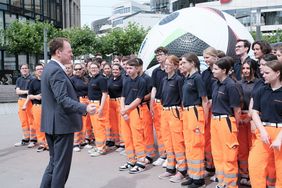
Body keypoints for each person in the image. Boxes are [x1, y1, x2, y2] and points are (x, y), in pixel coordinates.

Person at [40, 37, 96, 188]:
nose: (72, 54)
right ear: (59, 52)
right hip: (61, 125)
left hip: (53, 124)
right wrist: (84, 108)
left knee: (54, 164)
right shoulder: (56, 71)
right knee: (61, 167)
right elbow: (63, 99)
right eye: (69, 51)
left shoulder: (50, 68)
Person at [249, 60, 282, 188]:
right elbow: (255, 112)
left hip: (280, 132)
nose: (264, 75)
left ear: (278, 73)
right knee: (255, 164)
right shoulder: (261, 90)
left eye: (267, 73)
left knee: (280, 169)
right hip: (264, 132)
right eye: (263, 73)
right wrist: (262, 130)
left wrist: (279, 138)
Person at [211, 57, 241, 188]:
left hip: (226, 121)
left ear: (224, 70)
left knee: (229, 154)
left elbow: (237, 109)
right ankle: (222, 180)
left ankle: (230, 184)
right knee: (217, 153)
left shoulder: (231, 85)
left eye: (216, 69)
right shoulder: (215, 84)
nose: (213, 70)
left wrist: (236, 126)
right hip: (215, 120)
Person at [180, 53, 209, 187]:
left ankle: (199, 179)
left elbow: (204, 100)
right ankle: (192, 175)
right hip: (187, 113)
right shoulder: (187, 77)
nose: (182, 65)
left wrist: (205, 119)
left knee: (196, 145)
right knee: (190, 144)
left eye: (184, 62)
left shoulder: (197, 78)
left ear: (192, 63)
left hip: (195, 112)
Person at [158, 55, 187, 183]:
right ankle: (170, 168)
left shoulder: (179, 80)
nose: (166, 66)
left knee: (177, 141)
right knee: (167, 141)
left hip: (175, 112)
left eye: (169, 64)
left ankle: (182, 170)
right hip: (165, 112)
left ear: (175, 66)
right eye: (165, 64)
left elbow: (183, 98)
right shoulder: (164, 79)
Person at [119, 58, 150, 174]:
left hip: (135, 111)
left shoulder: (141, 81)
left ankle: (141, 162)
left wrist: (126, 109)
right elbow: (122, 96)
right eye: (127, 68)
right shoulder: (126, 80)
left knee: (137, 137)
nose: (128, 70)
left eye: (130, 68)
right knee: (127, 137)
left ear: (137, 69)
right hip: (125, 111)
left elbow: (139, 99)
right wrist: (123, 110)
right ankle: (131, 160)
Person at [237, 60, 258, 186]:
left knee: (253, 147)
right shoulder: (239, 83)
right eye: (243, 68)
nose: (245, 71)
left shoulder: (258, 83)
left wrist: (249, 118)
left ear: (253, 69)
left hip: (253, 118)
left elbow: (255, 101)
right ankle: (244, 173)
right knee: (242, 148)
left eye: (248, 68)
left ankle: (253, 174)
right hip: (241, 116)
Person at [23, 63, 48, 152]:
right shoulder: (32, 81)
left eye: (41, 69)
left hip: (48, 106)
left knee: (48, 125)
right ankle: (42, 144)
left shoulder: (48, 80)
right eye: (38, 69)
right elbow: (29, 95)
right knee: (38, 125)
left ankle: (48, 144)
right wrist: (36, 97)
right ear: (35, 72)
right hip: (37, 106)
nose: (40, 70)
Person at [201, 47, 218, 178]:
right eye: (204, 57)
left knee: (217, 140)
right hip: (207, 107)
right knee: (207, 139)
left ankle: (219, 169)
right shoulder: (205, 73)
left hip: (218, 109)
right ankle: (209, 166)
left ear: (215, 57)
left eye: (207, 57)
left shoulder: (220, 72)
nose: (206, 60)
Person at [150, 46, 168, 167]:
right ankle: (163, 155)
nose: (158, 57)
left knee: (167, 130)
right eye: (157, 55)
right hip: (157, 103)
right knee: (159, 129)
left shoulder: (171, 69)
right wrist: (152, 103)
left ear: (166, 55)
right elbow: (154, 88)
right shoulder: (156, 71)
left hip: (167, 103)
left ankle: (170, 155)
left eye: (160, 54)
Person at [87, 62, 110, 157]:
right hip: (92, 103)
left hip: (98, 104)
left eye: (95, 67)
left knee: (100, 127)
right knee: (95, 127)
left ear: (99, 68)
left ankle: (101, 148)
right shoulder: (92, 78)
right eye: (91, 68)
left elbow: (104, 93)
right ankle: (98, 145)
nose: (93, 69)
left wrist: (101, 107)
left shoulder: (101, 79)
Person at [71, 63, 92, 152]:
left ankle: (83, 141)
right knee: (78, 122)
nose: (78, 71)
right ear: (73, 70)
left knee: (86, 122)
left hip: (87, 100)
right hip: (78, 100)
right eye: (76, 69)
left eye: (79, 69)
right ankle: (76, 143)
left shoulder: (86, 79)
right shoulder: (72, 80)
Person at [14, 64, 35, 148]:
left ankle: (33, 140)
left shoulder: (32, 79)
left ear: (28, 69)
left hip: (29, 101)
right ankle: (26, 138)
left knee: (31, 121)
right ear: (20, 70)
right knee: (23, 121)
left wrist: (25, 92)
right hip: (21, 101)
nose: (24, 69)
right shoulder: (19, 79)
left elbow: (31, 93)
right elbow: (17, 92)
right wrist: (26, 91)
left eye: (26, 68)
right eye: (23, 68)